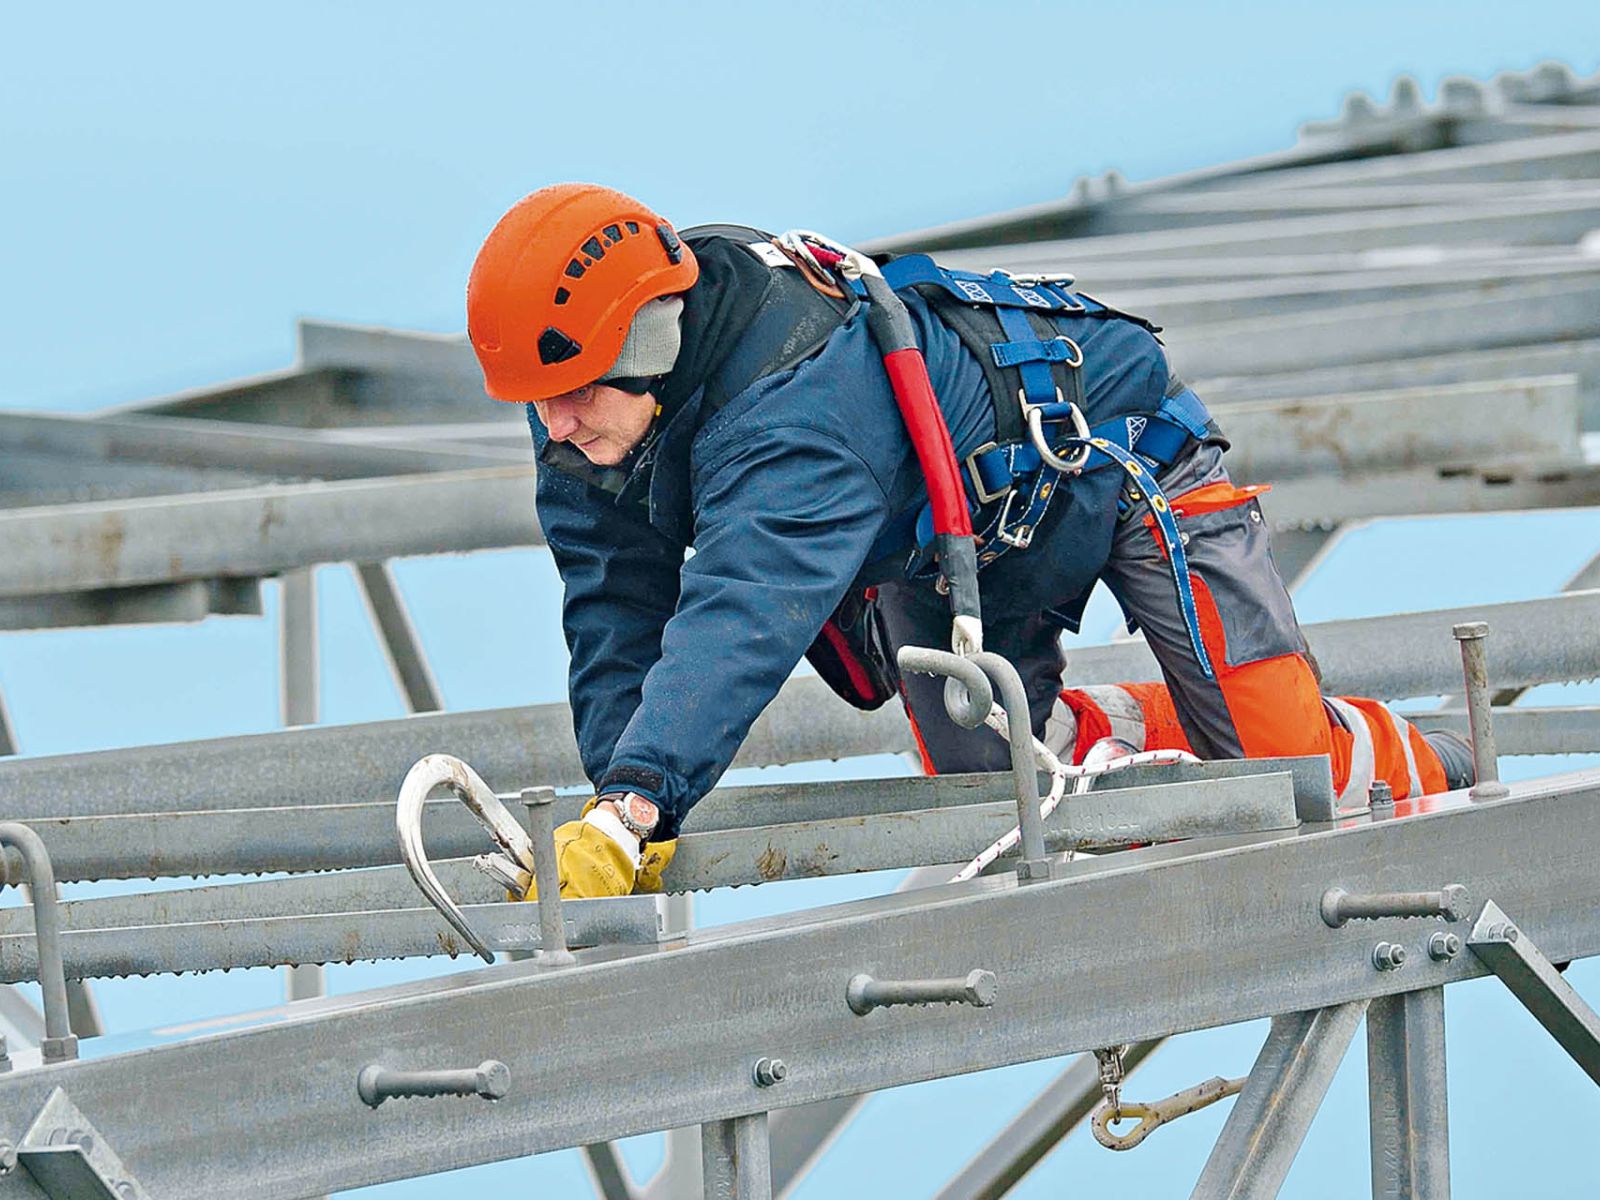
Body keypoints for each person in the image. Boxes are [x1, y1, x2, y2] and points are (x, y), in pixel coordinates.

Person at [465, 183, 1474, 898]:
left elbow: (738, 616)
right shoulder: (584, 400)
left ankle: (1427, 761)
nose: (553, 426)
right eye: (535, 404)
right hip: (950, 532)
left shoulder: (795, 415)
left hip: (1116, 463)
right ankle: (1131, 732)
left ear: (650, 346)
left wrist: (640, 803)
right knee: (1005, 795)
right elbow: (614, 605)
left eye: (572, 398)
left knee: (1279, 769)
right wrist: (619, 802)